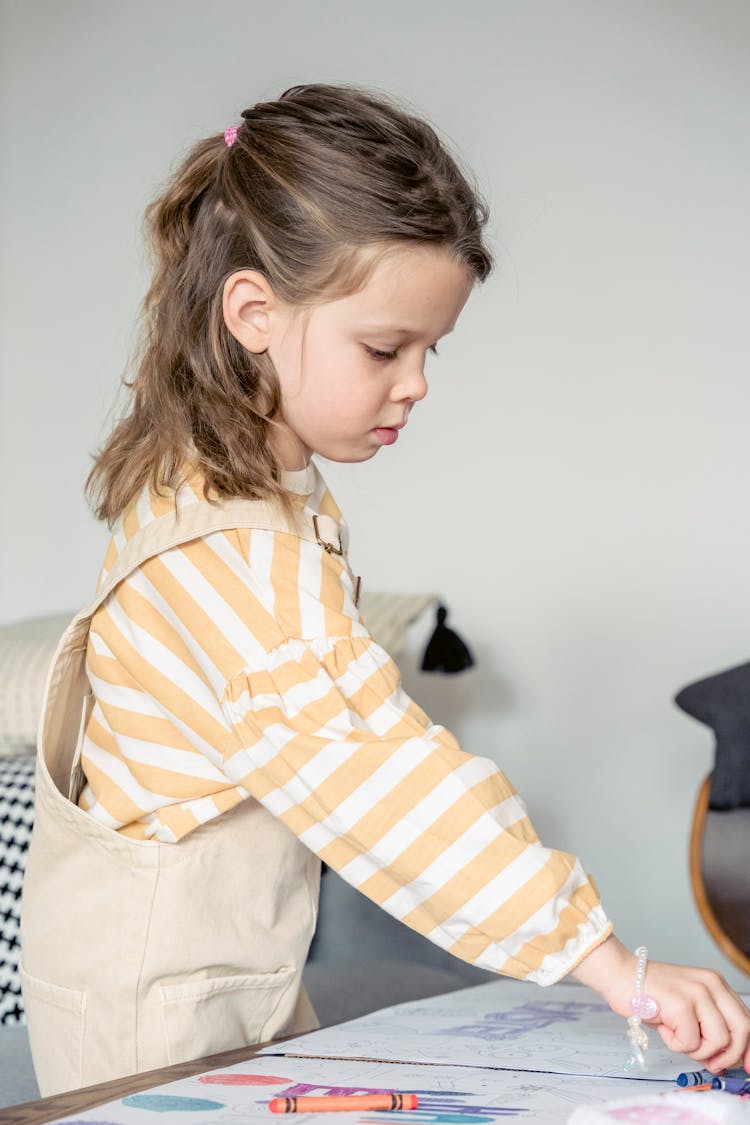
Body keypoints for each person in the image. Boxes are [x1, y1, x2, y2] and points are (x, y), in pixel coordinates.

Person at [20, 83, 750, 1096]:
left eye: (428, 348)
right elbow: (385, 778)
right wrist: (607, 962)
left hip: (226, 987)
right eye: (384, 348)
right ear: (253, 314)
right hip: (153, 1027)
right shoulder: (232, 563)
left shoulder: (226, 482)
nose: (415, 383)